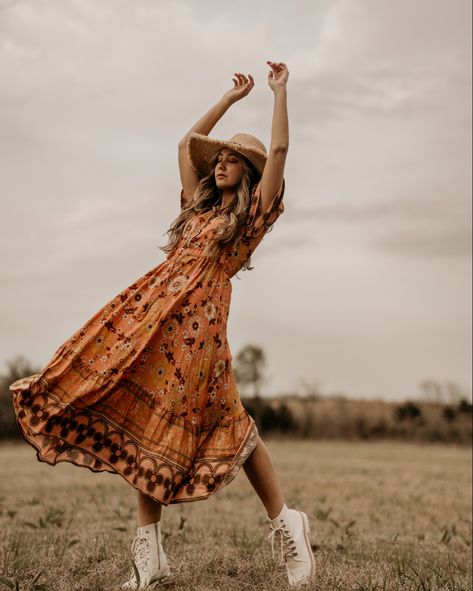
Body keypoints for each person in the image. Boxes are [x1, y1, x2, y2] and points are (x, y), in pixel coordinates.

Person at [9, 61, 315, 589]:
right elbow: (184, 145)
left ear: (249, 173)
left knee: (231, 423)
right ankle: (149, 555)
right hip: (150, 319)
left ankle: (287, 522)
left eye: (232, 161)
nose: (219, 164)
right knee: (141, 422)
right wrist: (228, 99)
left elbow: (281, 153)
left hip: (199, 333)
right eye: (217, 159)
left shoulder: (247, 221)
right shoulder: (195, 213)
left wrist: (278, 93)